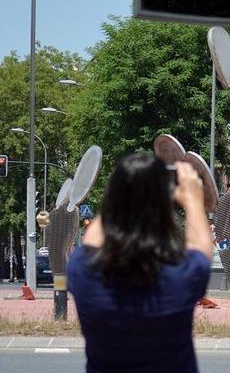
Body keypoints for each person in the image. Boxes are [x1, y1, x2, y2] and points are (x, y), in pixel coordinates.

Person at [67, 153, 213, 373]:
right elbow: (201, 246)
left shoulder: (82, 270)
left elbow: (92, 240)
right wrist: (192, 198)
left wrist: (123, 189)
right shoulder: (181, 277)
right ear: (165, 205)